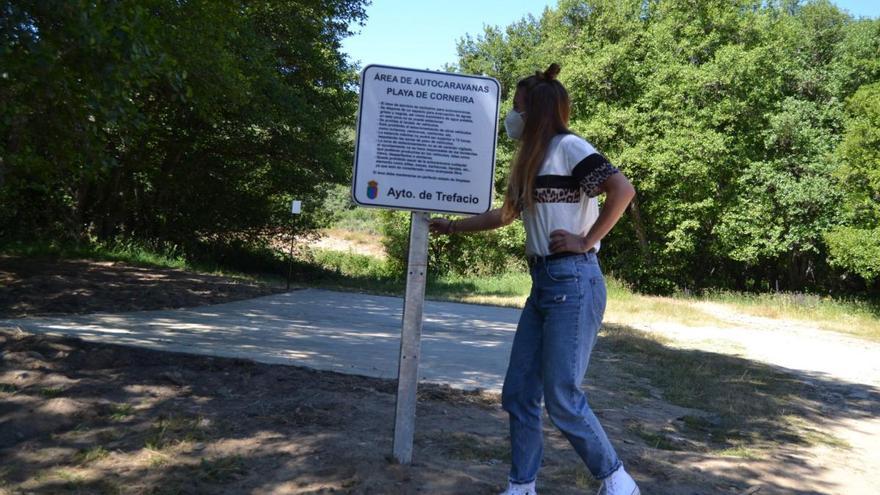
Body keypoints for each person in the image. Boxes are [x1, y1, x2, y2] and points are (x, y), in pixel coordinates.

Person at [429, 63, 640, 495]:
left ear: (537, 111)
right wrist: (451, 227)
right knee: (519, 394)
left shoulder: (569, 147)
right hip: (544, 282)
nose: (512, 115)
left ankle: (617, 481)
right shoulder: (530, 160)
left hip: (574, 280)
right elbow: (503, 216)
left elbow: (623, 190)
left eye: (517, 107)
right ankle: (521, 486)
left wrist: (586, 240)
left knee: (562, 397)